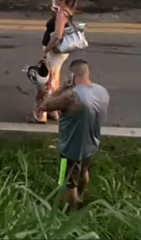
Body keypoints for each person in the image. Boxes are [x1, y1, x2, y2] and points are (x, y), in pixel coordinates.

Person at [42, 59, 109, 210]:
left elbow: (45, 105)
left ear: (72, 75)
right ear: (87, 72)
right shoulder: (102, 91)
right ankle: (80, 196)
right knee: (84, 170)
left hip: (70, 148)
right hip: (91, 143)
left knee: (67, 182)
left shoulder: (71, 96)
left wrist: (60, 88)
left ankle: (69, 210)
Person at [33, 0, 79, 123]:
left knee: (45, 82)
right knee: (53, 80)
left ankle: (41, 112)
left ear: (62, 0)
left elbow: (58, 35)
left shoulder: (61, 14)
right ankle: (52, 111)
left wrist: (47, 49)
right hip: (60, 53)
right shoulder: (67, 12)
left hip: (54, 53)